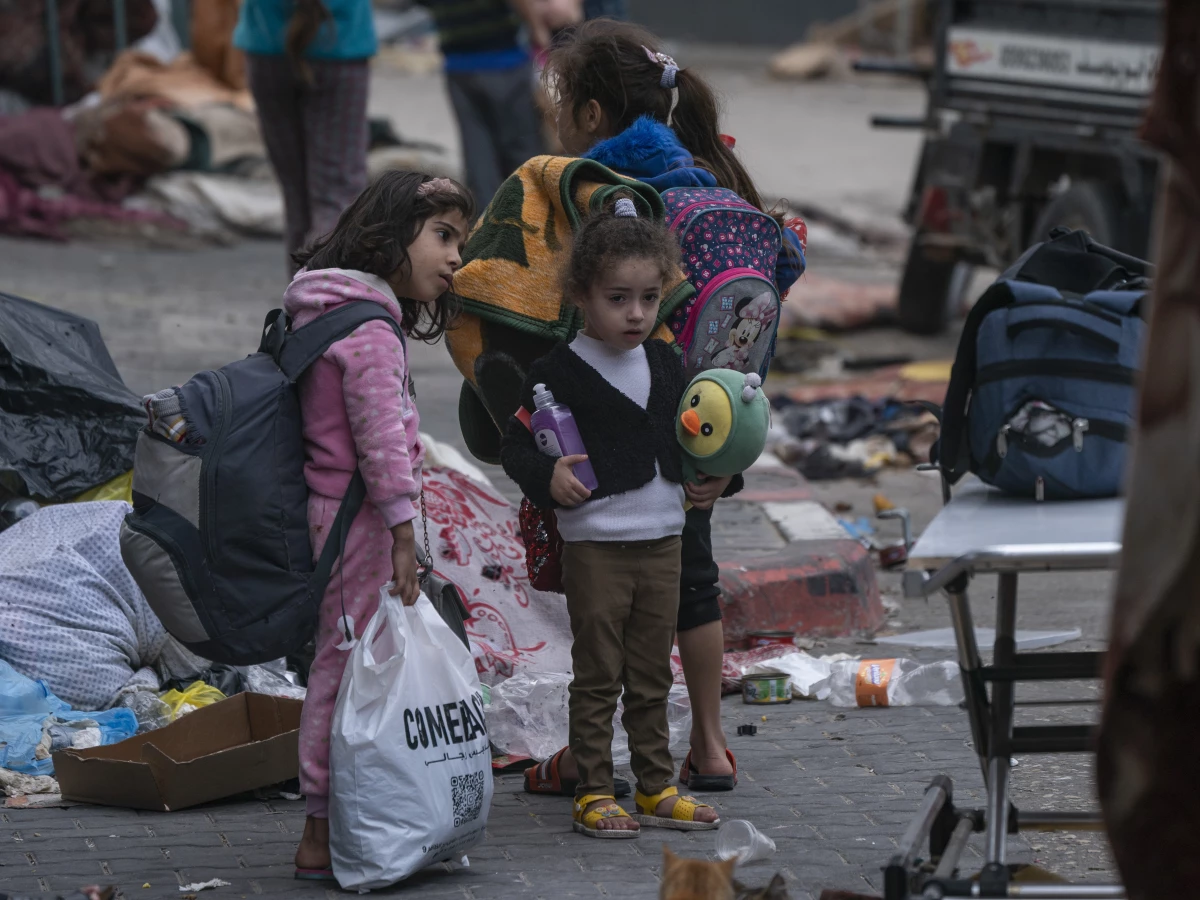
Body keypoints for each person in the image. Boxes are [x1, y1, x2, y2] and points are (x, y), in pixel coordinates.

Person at [518, 18, 806, 799]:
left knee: (605, 612)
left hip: (622, 439)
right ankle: (710, 747)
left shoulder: (600, 196)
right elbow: (781, 271)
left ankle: (586, 759)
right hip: (708, 427)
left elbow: (547, 319)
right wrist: (718, 456)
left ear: (587, 114)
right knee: (695, 582)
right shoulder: (717, 184)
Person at [500, 196, 720, 836]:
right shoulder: (556, 372)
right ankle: (595, 790)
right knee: (599, 675)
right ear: (580, 296)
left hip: (664, 542)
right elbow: (516, 445)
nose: (636, 313)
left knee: (653, 673)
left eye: (649, 298)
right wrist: (550, 476)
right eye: (618, 298)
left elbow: (696, 438)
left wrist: (718, 477)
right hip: (595, 545)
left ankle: (657, 786)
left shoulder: (666, 361)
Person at [283, 171, 474, 878]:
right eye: (443, 236)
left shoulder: (334, 310)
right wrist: (402, 532)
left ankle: (347, 816)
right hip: (355, 523)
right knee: (344, 668)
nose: (455, 257)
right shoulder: (367, 330)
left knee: (354, 662)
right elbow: (380, 442)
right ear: (390, 236)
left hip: (346, 516)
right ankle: (319, 828)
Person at [234, 0, 376, 268]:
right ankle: (324, 299)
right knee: (337, 195)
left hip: (267, 45)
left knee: (296, 194)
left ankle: (301, 298)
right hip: (340, 44)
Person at [422, 0, 547, 206]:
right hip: (504, 60)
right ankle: (532, 217)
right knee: (522, 148)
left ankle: (487, 226)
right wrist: (538, 30)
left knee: (478, 155)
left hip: (458, 66)